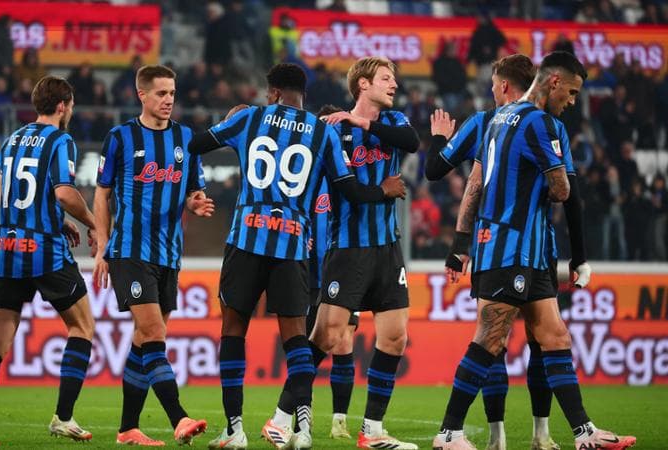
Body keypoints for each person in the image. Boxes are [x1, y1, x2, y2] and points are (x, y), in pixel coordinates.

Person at [188, 62, 407, 450]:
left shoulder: (250, 118)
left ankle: (235, 431)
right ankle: (298, 430)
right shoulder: (323, 133)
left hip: (247, 239)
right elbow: (351, 191)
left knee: (233, 332)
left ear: (273, 92)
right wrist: (383, 191)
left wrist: (227, 125)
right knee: (296, 341)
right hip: (292, 246)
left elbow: (194, 145)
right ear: (303, 94)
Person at [432, 51, 636, 450]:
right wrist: (554, 183)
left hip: (520, 251)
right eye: (572, 92)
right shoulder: (541, 123)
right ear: (553, 82)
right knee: (490, 340)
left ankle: (584, 433)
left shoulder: (497, 119)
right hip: (511, 250)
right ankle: (449, 432)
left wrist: (462, 242)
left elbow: (475, 184)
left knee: (555, 336)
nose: (573, 102)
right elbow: (562, 190)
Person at [0, 76, 97, 443]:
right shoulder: (61, 140)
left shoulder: (11, 140)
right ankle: (64, 417)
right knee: (83, 327)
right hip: (43, 251)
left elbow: (15, 192)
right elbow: (65, 193)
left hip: (8, 250)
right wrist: (93, 223)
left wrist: (58, 219)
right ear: (62, 106)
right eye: (71, 106)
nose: (71, 112)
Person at [304, 56, 420, 450]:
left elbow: (412, 143)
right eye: (386, 78)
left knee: (395, 338)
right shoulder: (333, 132)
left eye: (394, 78)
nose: (394, 85)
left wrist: (362, 123)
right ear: (363, 84)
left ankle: (372, 430)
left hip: (388, 248)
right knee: (329, 336)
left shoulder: (394, 122)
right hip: (348, 248)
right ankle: (284, 416)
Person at [93, 64, 212, 447]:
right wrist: (102, 246)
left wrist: (195, 203)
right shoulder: (120, 137)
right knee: (154, 333)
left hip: (168, 254)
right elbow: (102, 194)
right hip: (129, 251)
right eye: (161, 93)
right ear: (141, 94)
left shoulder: (186, 138)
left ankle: (128, 428)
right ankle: (179, 417)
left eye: (172, 92)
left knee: (144, 340)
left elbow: (193, 191)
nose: (168, 99)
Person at [309, 104, 362, 441]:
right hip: (308, 273)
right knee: (309, 347)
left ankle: (339, 422)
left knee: (343, 342)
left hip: (343, 270)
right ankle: (297, 415)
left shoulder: (350, 177)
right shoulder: (307, 173)